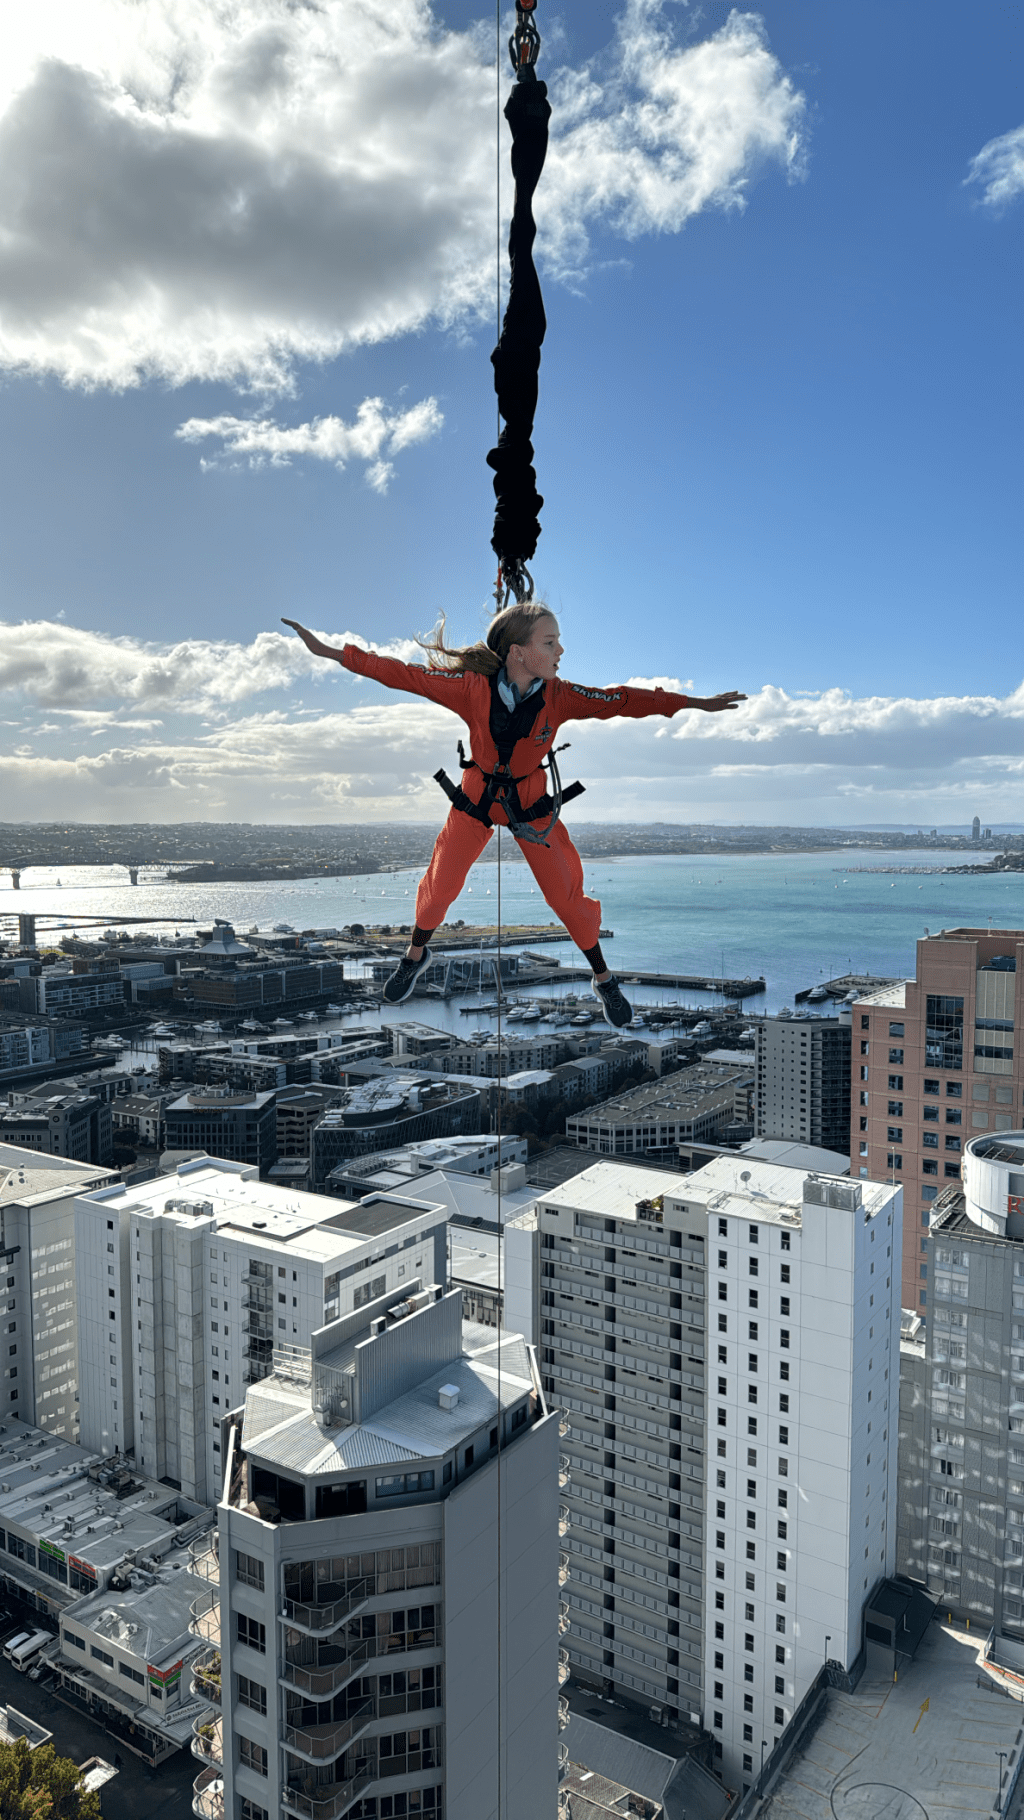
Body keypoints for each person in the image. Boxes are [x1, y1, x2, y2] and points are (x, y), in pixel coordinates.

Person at [282, 605, 745, 1027]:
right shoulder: (471, 689)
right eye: (550, 643)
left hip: (529, 806)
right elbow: (403, 675)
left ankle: (604, 980)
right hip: (477, 802)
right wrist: (329, 651)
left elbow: (622, 701)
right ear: (520, 654)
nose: (561, 651)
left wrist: (691, 704)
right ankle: (415, 954)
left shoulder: (561, 697)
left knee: (566, 897)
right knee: (440, 886)